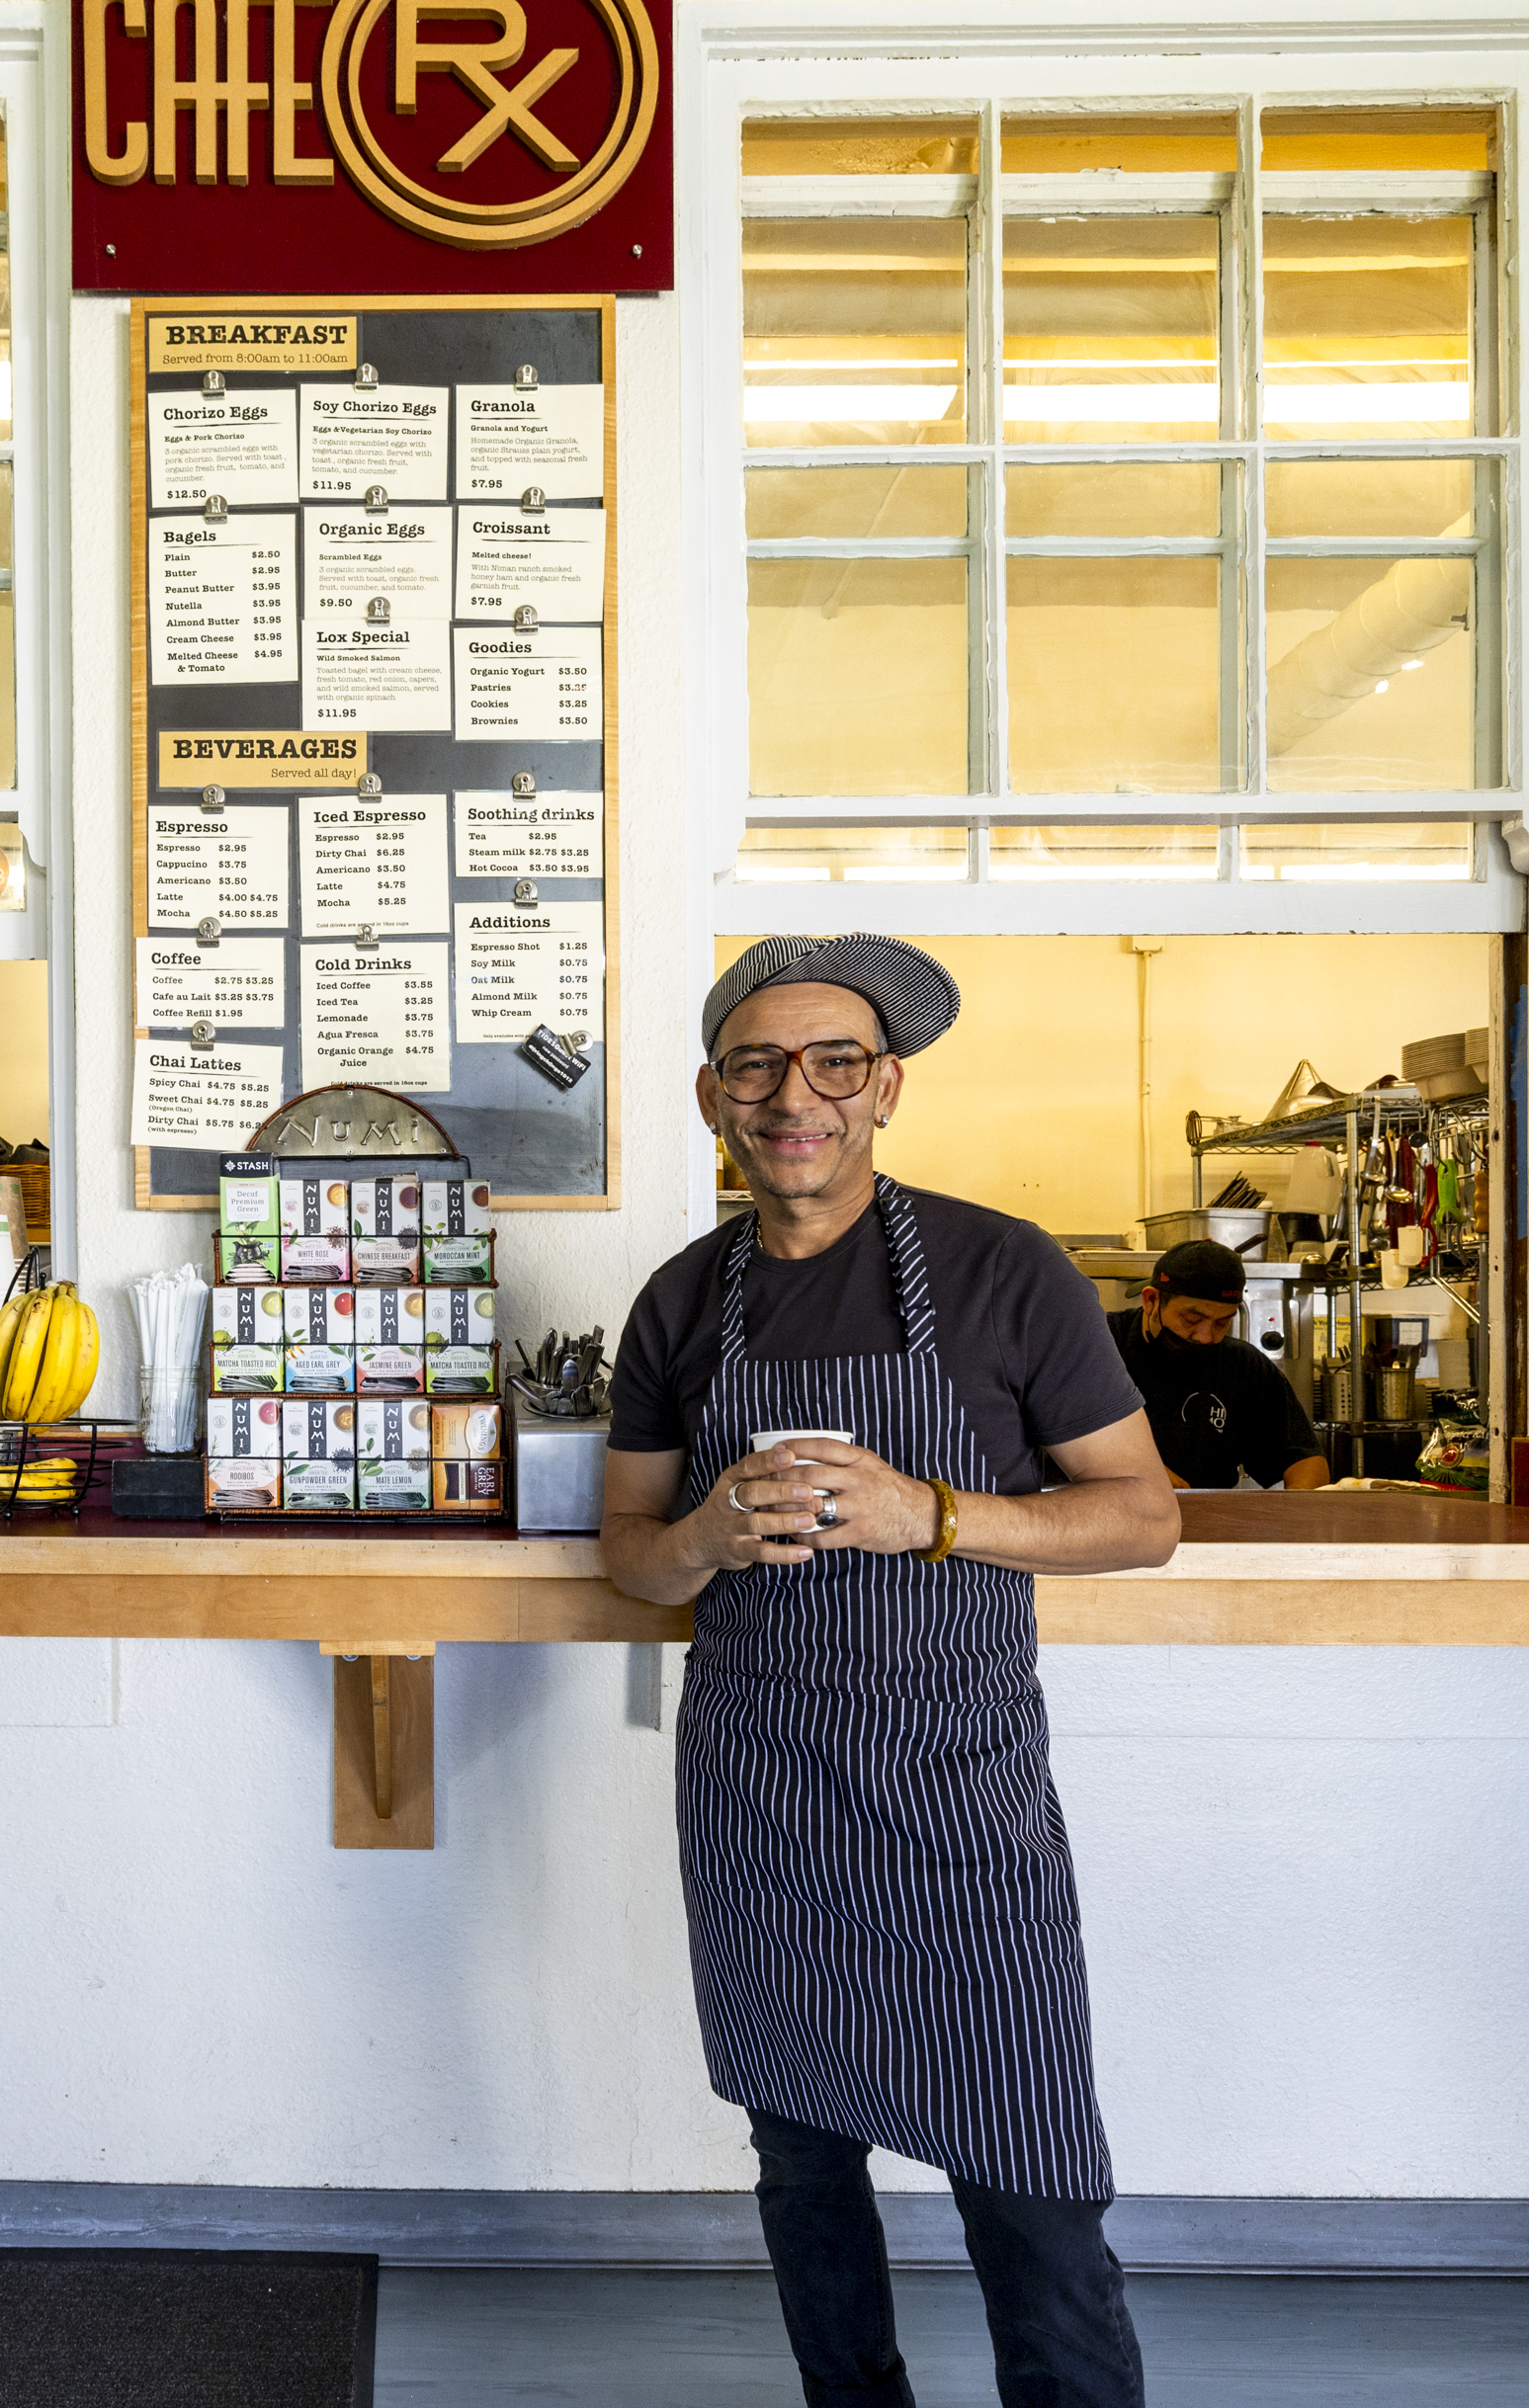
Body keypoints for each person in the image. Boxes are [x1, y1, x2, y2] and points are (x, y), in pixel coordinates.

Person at [601, 931, 1180, 2408]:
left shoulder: (1001, 1269)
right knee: (799, 2153)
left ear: (884, 1091)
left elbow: (1138, 1516)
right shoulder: (678, 1301)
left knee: (1027, 2165)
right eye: (756, 1065)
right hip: (760, 1784)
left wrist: (931, 1513)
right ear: (709, 1095)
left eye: (832, 1063)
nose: (794, 1094)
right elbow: (625, 1555)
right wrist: (709, 1536)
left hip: (954, 1785)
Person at [1105, 1239, 1329, 1492]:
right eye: (1192, 1319)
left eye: (1221, 1323)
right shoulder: (1098, 1347)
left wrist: (1297, 1516)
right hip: (1101, 1518)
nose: (1205, 1337)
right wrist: (1139, 1470)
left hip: (1208, 1522)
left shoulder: (1244, 1367)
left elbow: (1304, 1461)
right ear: (1151, 1301)